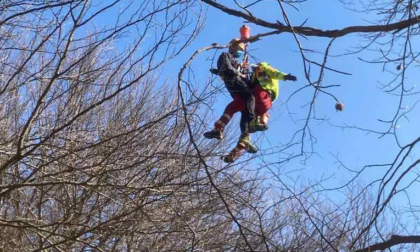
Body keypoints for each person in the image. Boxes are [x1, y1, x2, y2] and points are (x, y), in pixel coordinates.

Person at [217, 62, 297, 163]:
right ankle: (237, 149)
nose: (253, 69)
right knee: (245, 121)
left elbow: (273, 72)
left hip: (261, 94)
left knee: (235, 107)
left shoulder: (262, 68)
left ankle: (222, 127)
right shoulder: (255, 78)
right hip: (263, 104)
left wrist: (285, 76)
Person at [204, 38, 256, 144]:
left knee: (237, 106)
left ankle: (218, 129)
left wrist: (244, 70)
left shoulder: (234, 61)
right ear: (233, 46)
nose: (239, 52)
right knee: (250, 97)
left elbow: (233, 69)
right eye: (239, 49)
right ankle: (252, 120)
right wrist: (239, 73)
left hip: (232, 85)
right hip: (233, 81)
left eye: (241, 50)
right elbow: (227, 68)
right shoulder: (225, 55)